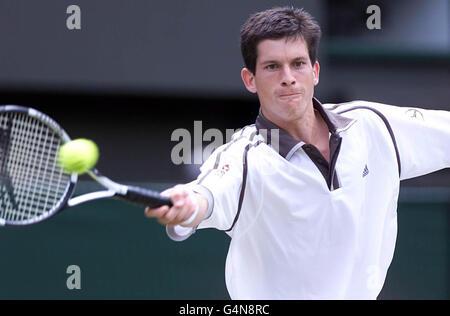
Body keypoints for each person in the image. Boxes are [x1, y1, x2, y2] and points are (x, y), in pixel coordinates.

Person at [145, 6, 450, 299]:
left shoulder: (372, 125)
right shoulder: (243, 159)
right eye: (272, 67)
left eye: (298, 63)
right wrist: (187, 206)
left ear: (314, 71)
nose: (288, 77)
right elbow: (206, 196)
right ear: (250, 80)